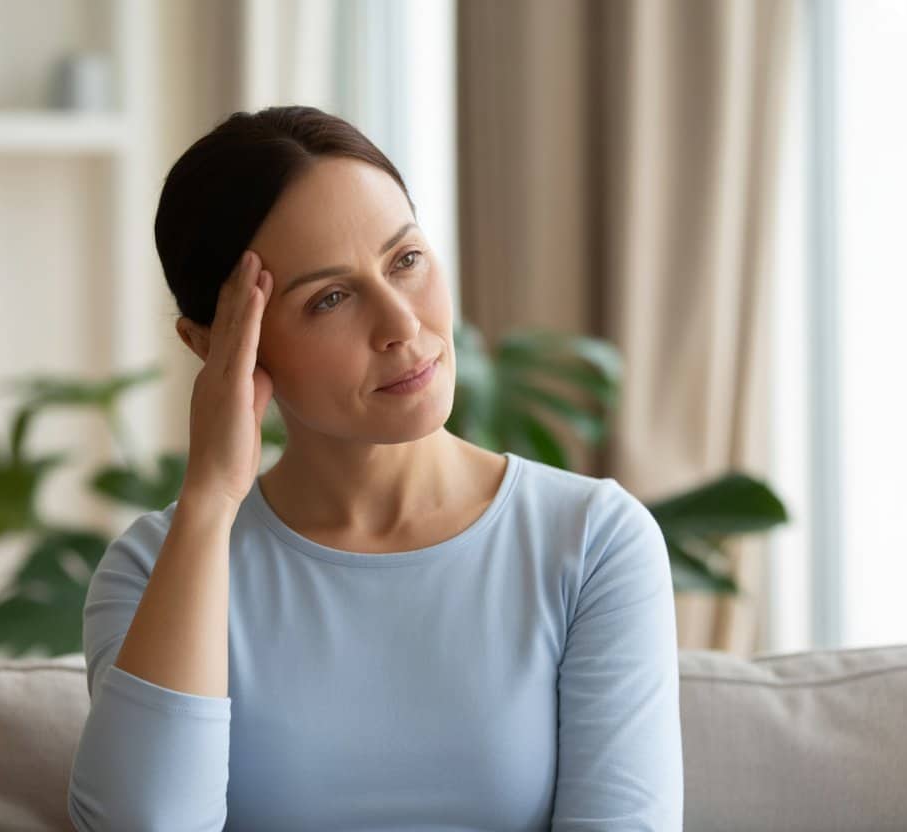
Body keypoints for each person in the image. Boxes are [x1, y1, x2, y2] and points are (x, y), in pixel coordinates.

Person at [66, 105, 683, 831]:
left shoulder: (591, 543)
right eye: (329, 298)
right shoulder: (150, 572)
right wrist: (208, 500)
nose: (401, 325)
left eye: (406, 260)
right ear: (215, 344)